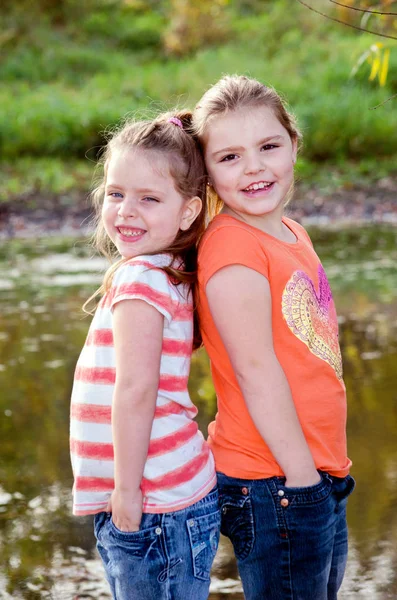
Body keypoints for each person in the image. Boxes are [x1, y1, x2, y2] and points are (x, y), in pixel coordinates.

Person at [190, 75, 355, 600]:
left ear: (293, 145)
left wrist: (319, 476)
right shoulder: (233, 250)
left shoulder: (291, 232)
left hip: (316, 471)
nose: (255, 167)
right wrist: (303, 480)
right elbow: (256, 372)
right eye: (230, 157)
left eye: (268, 146)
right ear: (208, 174)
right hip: (277, 481)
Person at [69, 112, 220, 600]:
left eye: (149, 199)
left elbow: (136, 391)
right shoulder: (166, 269)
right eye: (116, 194)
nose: (127, 211)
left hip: (151, 503)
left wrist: (127, 493)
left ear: (188, 211)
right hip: (169, 497)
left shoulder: (141, 279)